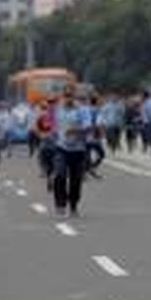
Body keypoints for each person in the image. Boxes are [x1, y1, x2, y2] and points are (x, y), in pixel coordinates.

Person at [53, 86, 90, 217]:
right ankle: (60, 204)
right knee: (59, 175)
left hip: (78, 149)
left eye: (70, 96)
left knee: (75, 181)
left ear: (74, 96)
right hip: (61, 148)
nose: (68, 98)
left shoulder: (83, 110)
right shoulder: (58, 109)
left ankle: (73, 205)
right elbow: (54, 126)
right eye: (66, 96)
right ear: (63, 96)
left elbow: (87, 127)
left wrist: (76, 130)